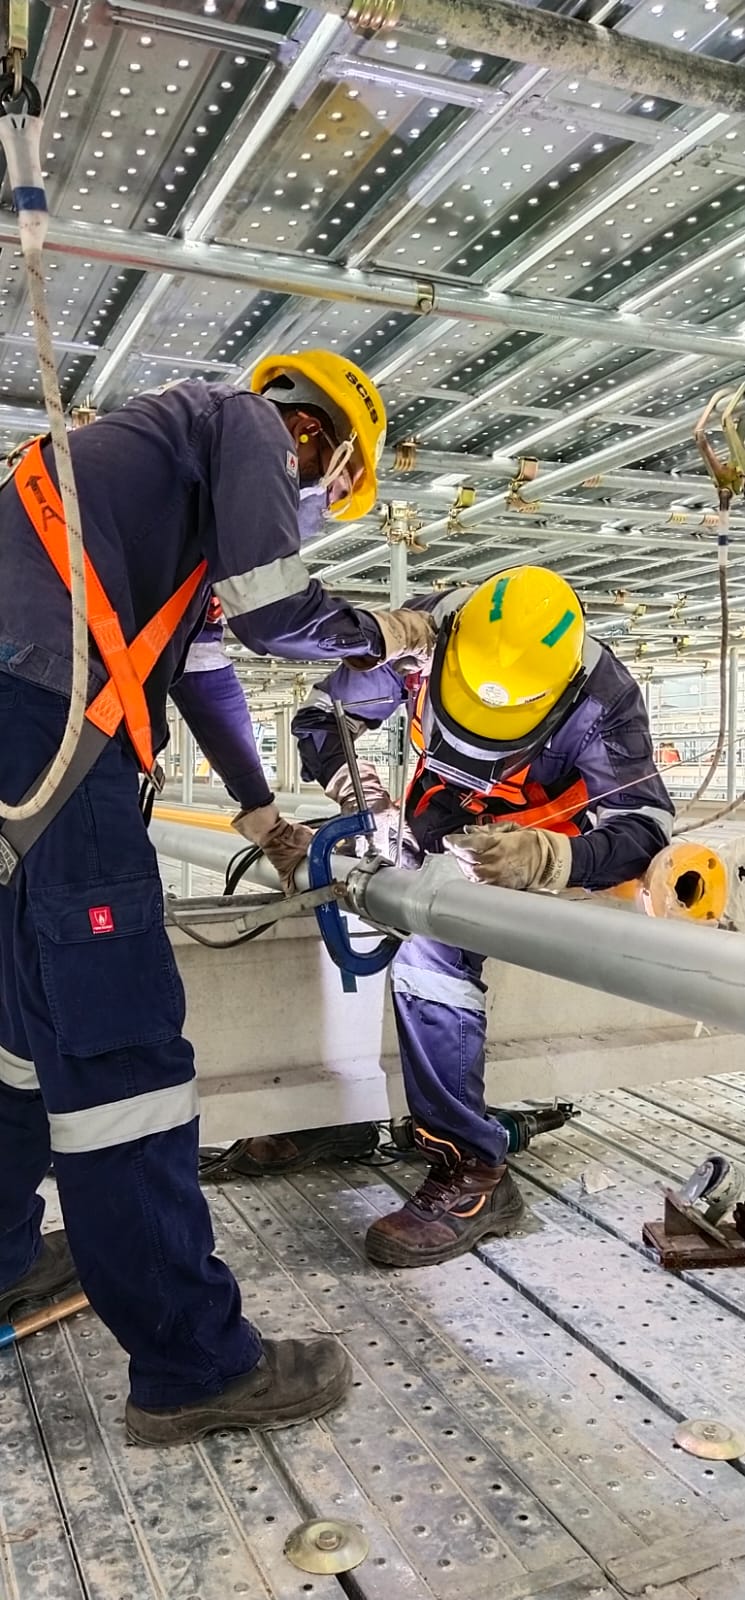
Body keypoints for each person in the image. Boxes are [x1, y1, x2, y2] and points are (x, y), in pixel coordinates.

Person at [0, 350, 435, 1446]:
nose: (310, 509)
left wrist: (259, 814)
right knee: (122, 1057)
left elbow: (201, 673)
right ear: (323, 442)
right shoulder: (242, 420)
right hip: (54, 719)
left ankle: (1, 1259)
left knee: (18, 1029)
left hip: (20, 717)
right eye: (328, 494)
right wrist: (387, 631)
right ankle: (194, 1364)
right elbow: (273, 610)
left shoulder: (154, 498)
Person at [289, 564, 675, 1268]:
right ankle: (337, 1117)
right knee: (360, 906)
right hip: (432, 823)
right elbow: (323, 717)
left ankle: (472, 1169)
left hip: (538, 843)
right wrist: (357, 788)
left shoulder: (603, 698)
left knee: (430, 954)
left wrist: (552, 859)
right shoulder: (420, 635)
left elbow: (645, 826)